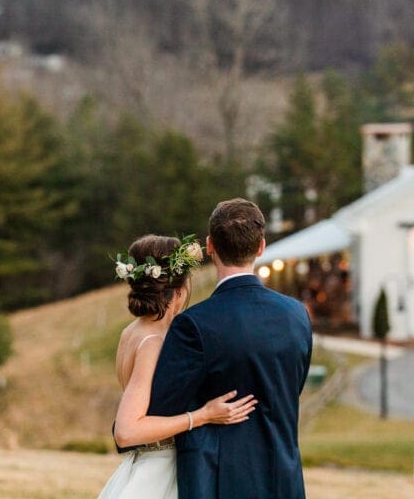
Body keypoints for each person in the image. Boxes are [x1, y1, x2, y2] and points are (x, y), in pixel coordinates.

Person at [148, 198, 313, 499]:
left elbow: (161, 410)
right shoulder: (296, 315)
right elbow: (290, 388)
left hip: (216, 482)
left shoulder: (193, 324)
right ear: (261, 246)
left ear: (210, 246)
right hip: (283, 480)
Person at [97, 234, 257, 499]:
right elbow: (127, 431)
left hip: (142, 465)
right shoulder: (153, 341)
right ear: (180, 291)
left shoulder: (131, 332)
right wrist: (203, 415)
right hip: (158, 473)